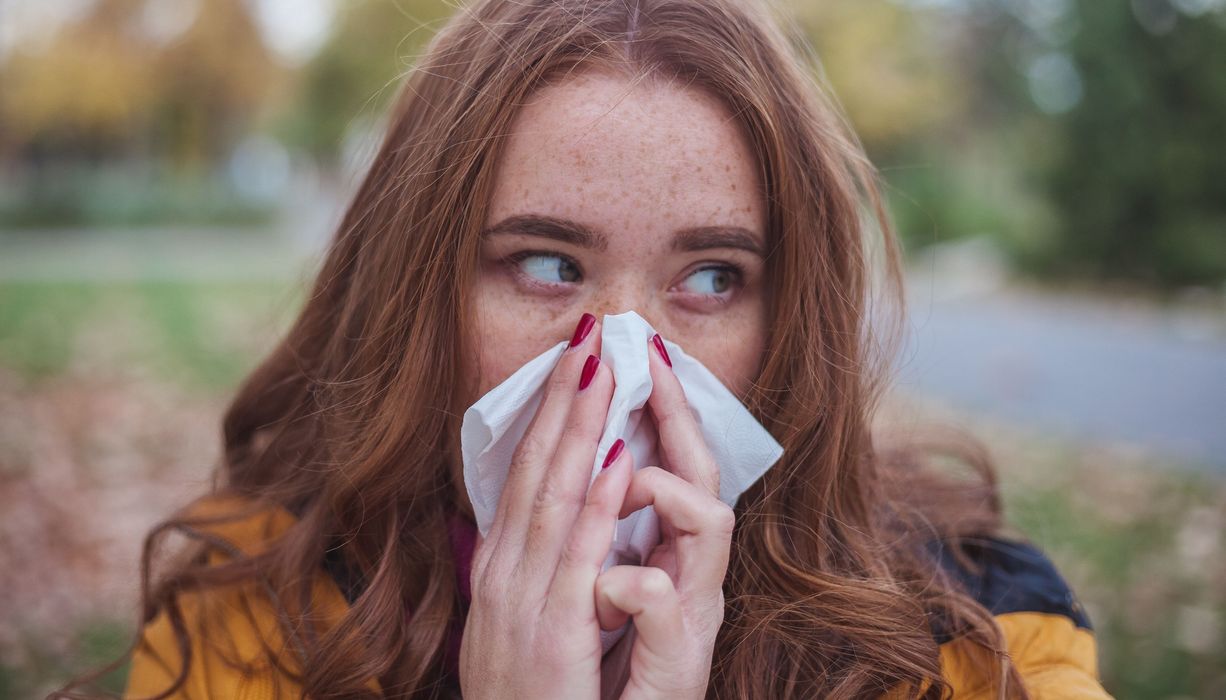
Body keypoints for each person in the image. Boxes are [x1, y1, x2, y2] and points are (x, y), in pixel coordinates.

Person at [58, 0, 1113, 697]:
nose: (623, 360)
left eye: (710, 278)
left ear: (787, 321)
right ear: (419, 286)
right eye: (546, 264)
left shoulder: (982, 640)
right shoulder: (251, 618)